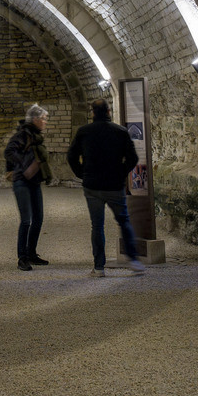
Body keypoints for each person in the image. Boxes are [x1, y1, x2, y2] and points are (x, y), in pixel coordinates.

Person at [66, 99, 145, 276]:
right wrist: (121, 173)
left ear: (92, 113)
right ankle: (134, 261)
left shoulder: (84, 132)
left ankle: (99, 266)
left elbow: (71, 156)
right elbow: (132, 158)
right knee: (124, 221)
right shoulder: (120, 132)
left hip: (92, 185)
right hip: (114, 185)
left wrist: (82, 173)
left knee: (97, 225)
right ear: (109, 111)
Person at [4, 104, 54, 271]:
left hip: (34, 182)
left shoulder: (35, 136)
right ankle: (22, 257)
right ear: (35, 119)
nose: (45, 122)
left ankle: (31, 253)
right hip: (22, 181)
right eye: (44, 119)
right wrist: (25, 166)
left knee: (38, 219)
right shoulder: (23, 135)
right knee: (26, 220)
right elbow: (9, 152)